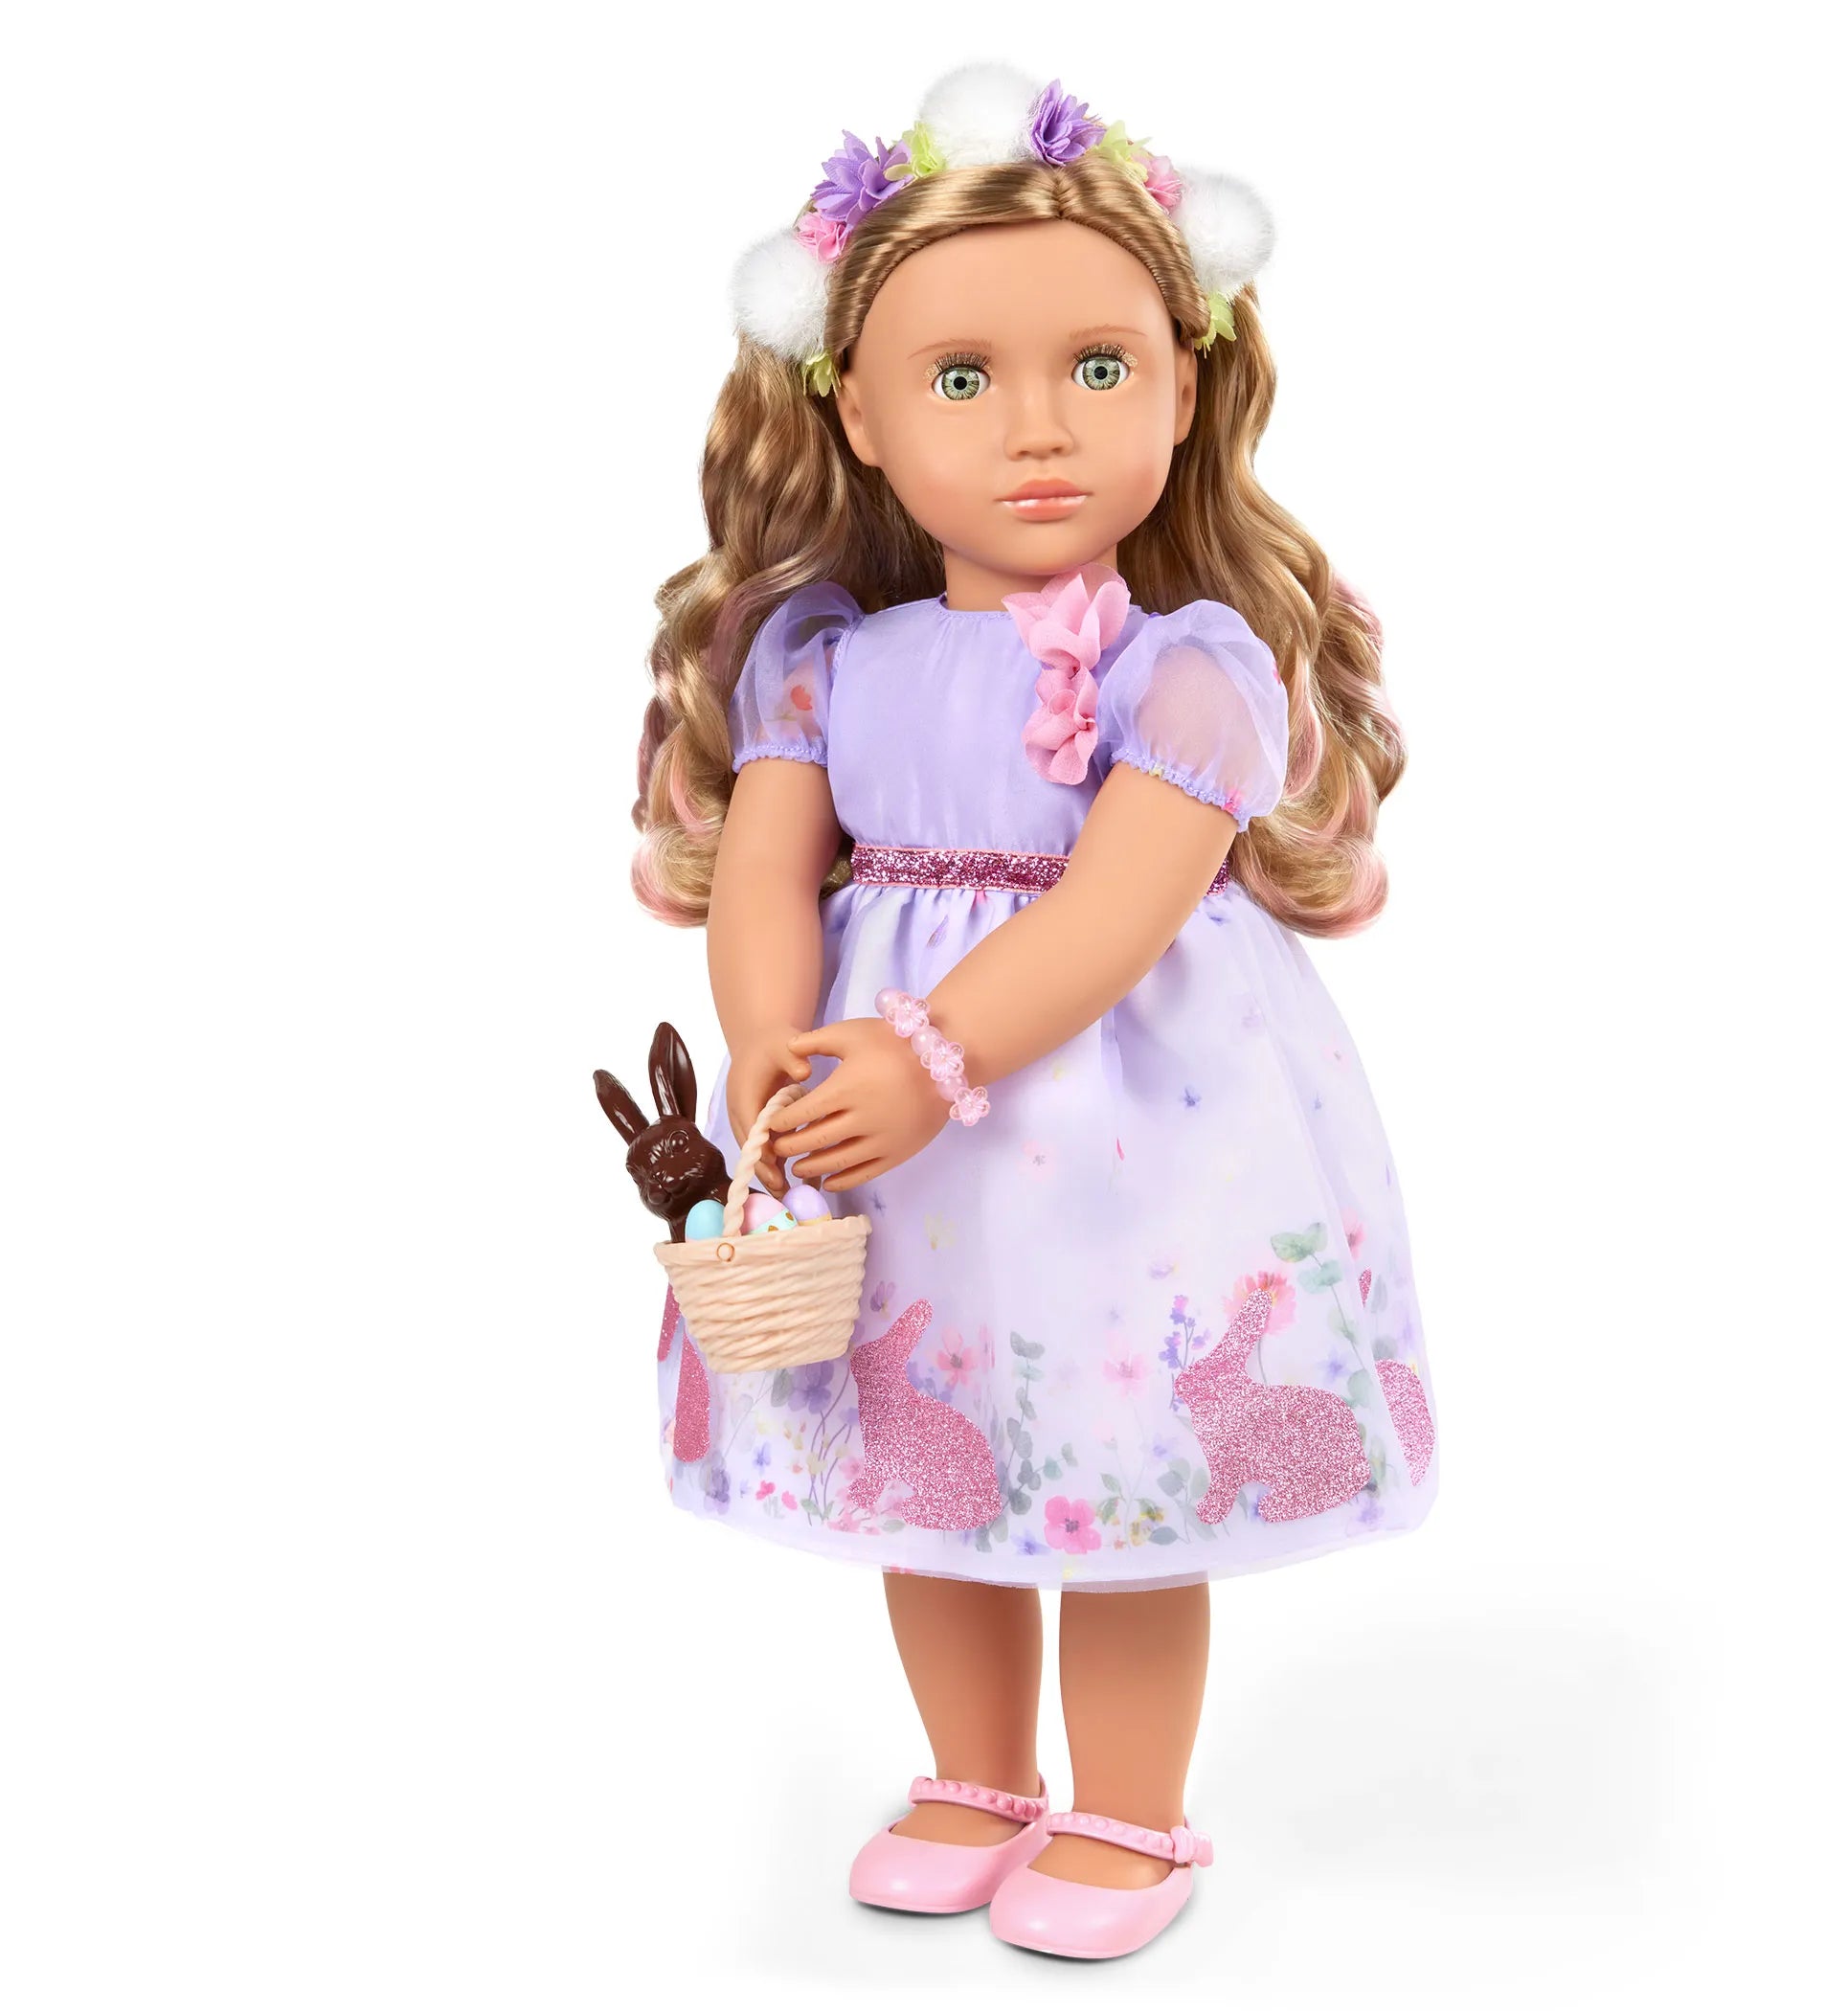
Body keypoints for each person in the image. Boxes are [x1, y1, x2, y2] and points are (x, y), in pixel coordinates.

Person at [629, 62, 1438, 1960]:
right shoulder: (824, 659)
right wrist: (772, 1044)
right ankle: (976, 1776)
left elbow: (1118, 904)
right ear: (857, 409)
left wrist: (931, 1051)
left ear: (1186, 383)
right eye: (962, 378)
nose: (1040, 426)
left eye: (1098, 366)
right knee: (934, 1446)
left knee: (1129, 1453)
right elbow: (768, 871)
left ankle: (1133, 1812)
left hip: (1127, 1130)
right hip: (893, 1141)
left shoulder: (1194, 668)